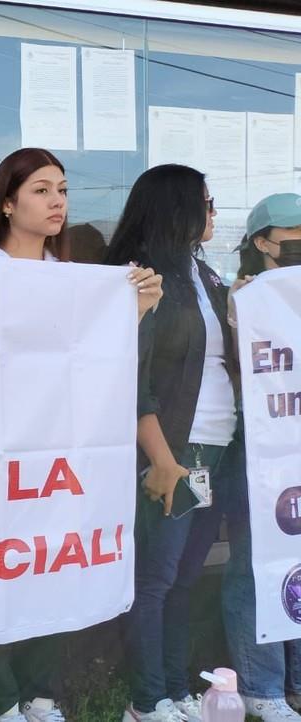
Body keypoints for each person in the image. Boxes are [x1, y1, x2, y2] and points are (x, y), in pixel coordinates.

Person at [0, 148, 162, 722]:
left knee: (52, 568)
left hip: (59, 453)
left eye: (64, 190)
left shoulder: (79, 282)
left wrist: (136, 314)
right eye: (42, 190)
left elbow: (97, 365)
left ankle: (39, 692)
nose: (58, 202)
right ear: (7, 203)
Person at [105, 165, 237, 722]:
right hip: (170, 450)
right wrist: (160, 458)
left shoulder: (203, 276)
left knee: (184, 578)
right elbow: (129, 378)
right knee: (155, 580)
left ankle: (180, 688)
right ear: (177, 207)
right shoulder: (139, 277)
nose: (214, 213)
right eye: (206, 203)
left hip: (216, 447)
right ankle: (147, 698)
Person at [218, 193, 301, 722]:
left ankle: (293, 682)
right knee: (256, 562)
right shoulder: (244, 298)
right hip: (263, 452)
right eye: (292, 235)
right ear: (262, 242)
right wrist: (237, 316)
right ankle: (260, 684)